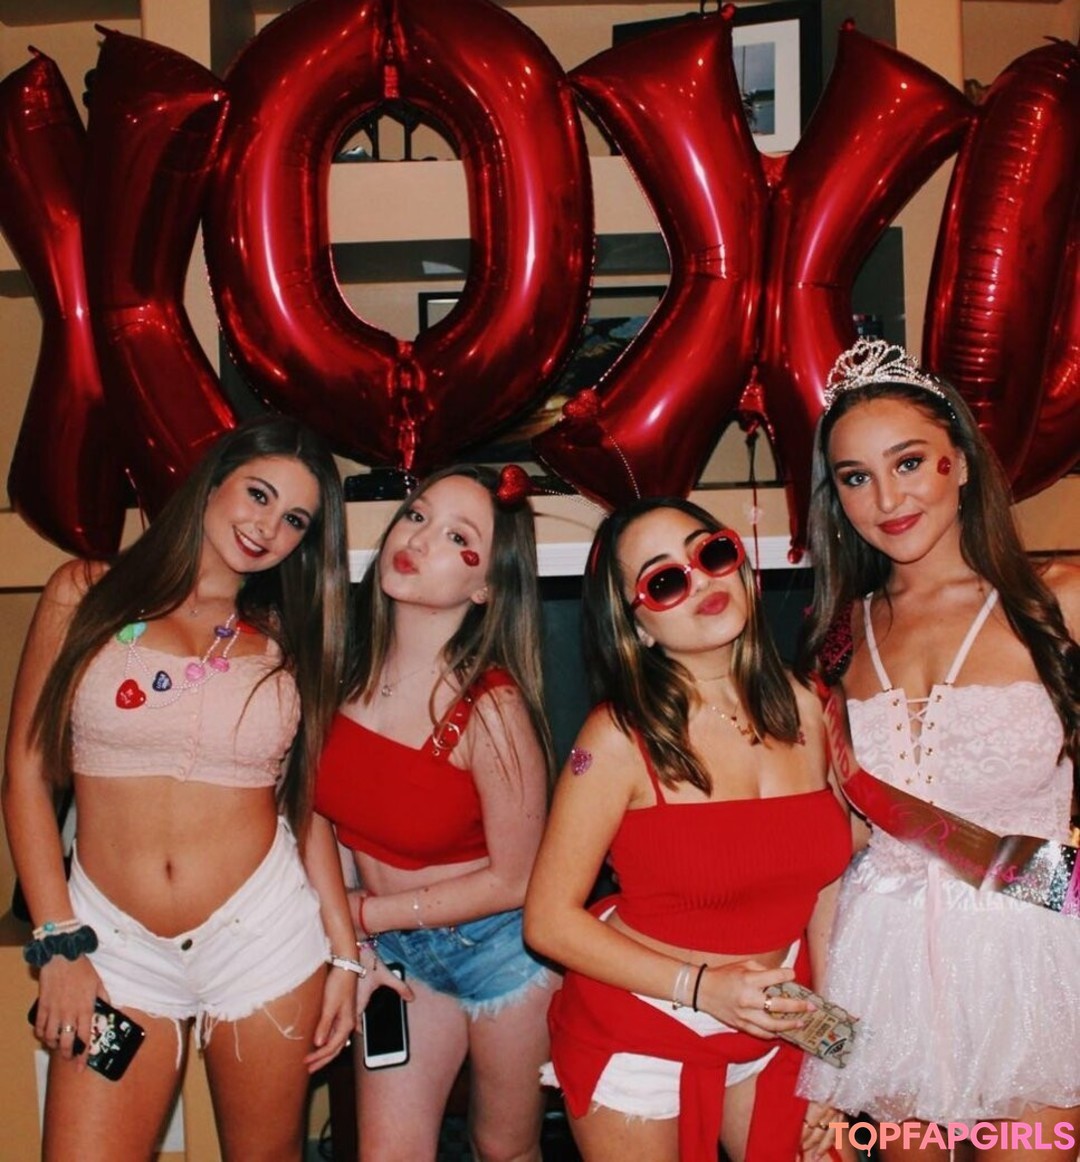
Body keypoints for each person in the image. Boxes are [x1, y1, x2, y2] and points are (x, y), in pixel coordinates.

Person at [3, 415, 359, 1161]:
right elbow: (27, 775)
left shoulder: (291, 638)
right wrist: (58, 945)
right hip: (111, 951)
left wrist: (346, 955)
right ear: (213, 481)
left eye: (295, 519)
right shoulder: (85, 593)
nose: (268, 527)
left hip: (261, 942)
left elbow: (306, 807)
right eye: (258, 494)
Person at [797, 338, 1080, 1160]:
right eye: (856, 477)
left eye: (910, 462)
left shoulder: (1057, 600)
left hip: (1036, 958)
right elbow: (835, 860)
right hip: (882, 971)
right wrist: (831, 1052)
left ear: (960, 461)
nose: (887, 498)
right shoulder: (839, 637)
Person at [523, 497, 852, 1162]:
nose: (701, 580)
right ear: (637, 625)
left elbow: (827, 887)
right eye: (666, 580)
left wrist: (834, 1049)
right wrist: (704, 988)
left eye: (712, 552)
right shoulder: (616, 739)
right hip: (644, 1021)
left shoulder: (812, 706)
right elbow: (548, 922)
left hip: (781, 1016)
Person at [314, 463, 557, 1162]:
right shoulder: (338, 670)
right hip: (392, 956)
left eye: (459, 538)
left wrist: (366, 915)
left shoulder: (492, 708)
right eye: (418, 515)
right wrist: (353, 939)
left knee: (503, 1149)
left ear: (486, 587)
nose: (419, 539)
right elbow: (318, 817)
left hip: (501, 957)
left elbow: (518, 880)